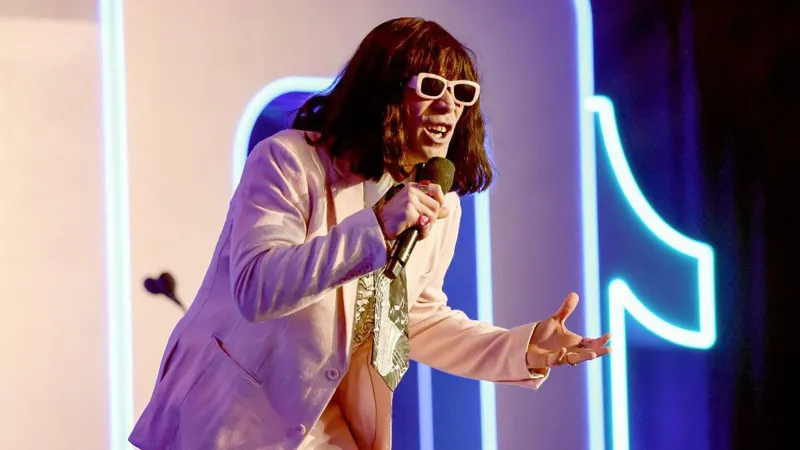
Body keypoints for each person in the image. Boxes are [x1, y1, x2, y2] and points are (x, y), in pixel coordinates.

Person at [129, 16, 611, 450]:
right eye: (431, 86)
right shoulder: (289, 161)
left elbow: (417, 318)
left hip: (331, 429)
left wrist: (521, 348)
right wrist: (376, 227)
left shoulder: (440, 203)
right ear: (383, 90)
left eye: (463, 92)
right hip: (230, 424)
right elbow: (257, 288)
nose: (449, 104)